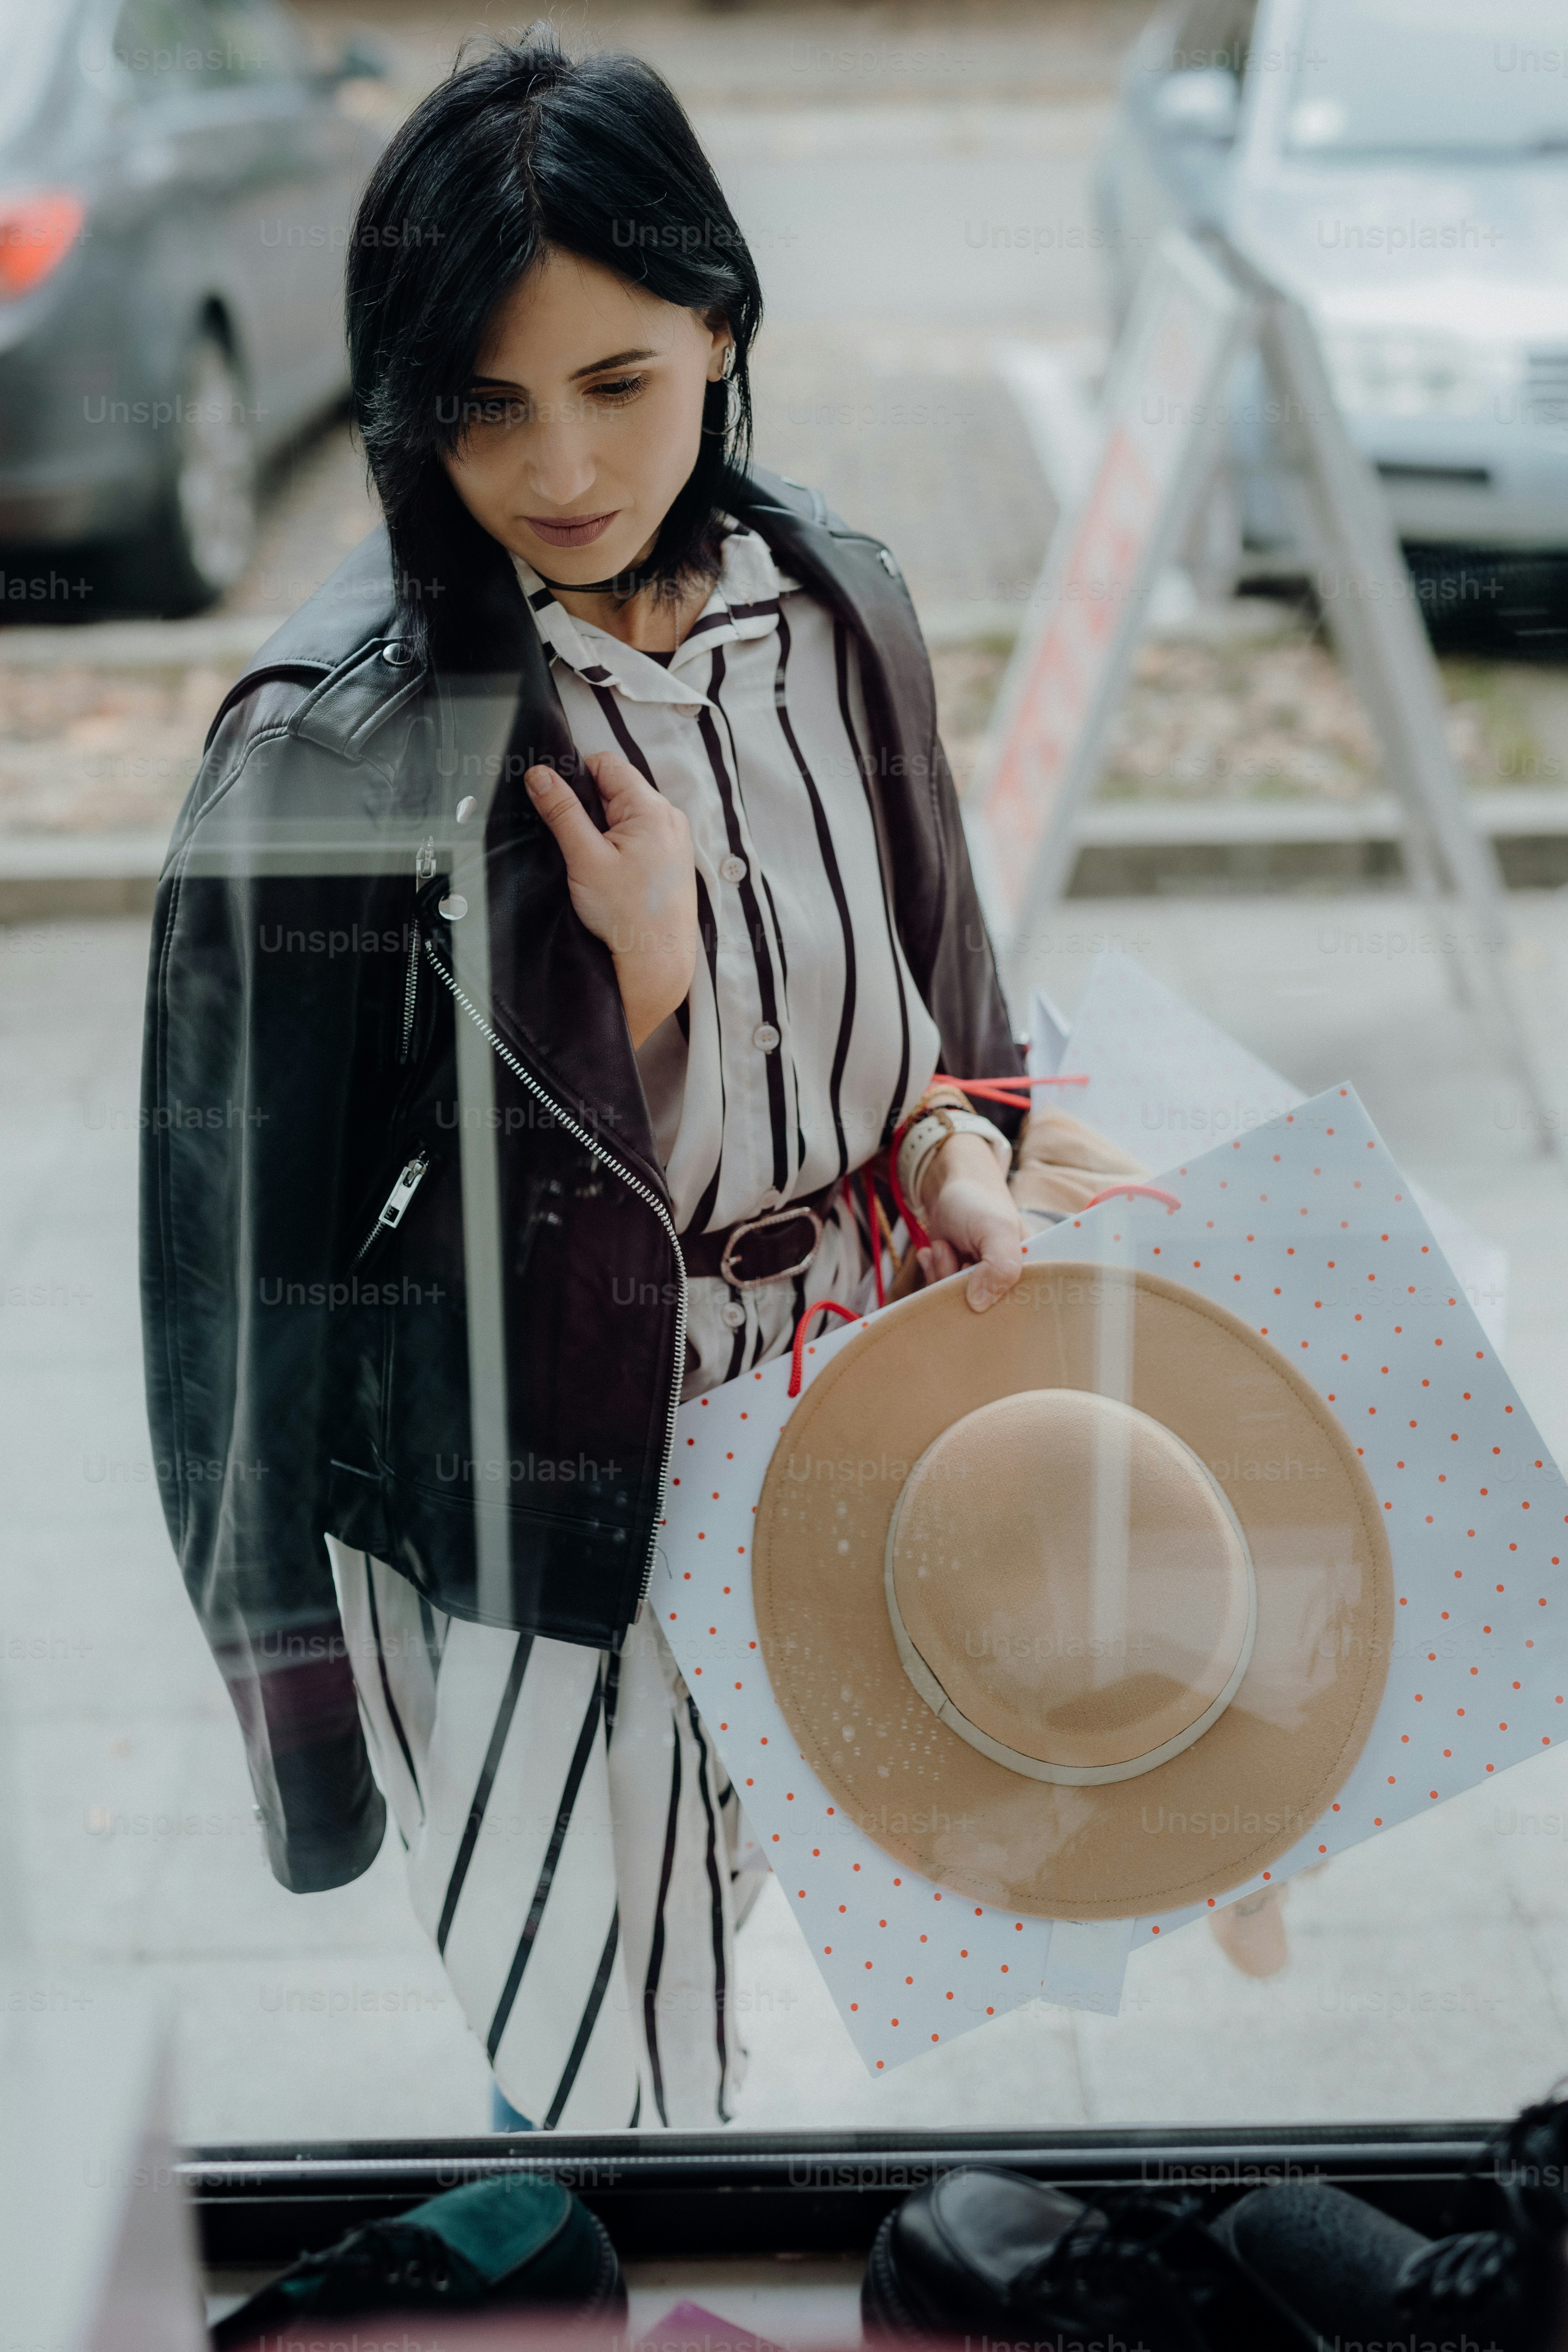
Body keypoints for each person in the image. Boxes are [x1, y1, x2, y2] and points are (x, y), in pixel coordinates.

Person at [139, 30, 1029, 2132]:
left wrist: (961, 1168)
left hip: (838, 1411)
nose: (557, 465)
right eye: (482, 406)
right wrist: (641, 989)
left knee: (761, 1957)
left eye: (617, 382)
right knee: (613, 2096)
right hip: (539, 1487)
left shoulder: (836, 605)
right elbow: (249, 1271)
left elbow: (938, 1004)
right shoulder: (344, 753)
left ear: (719, 326)